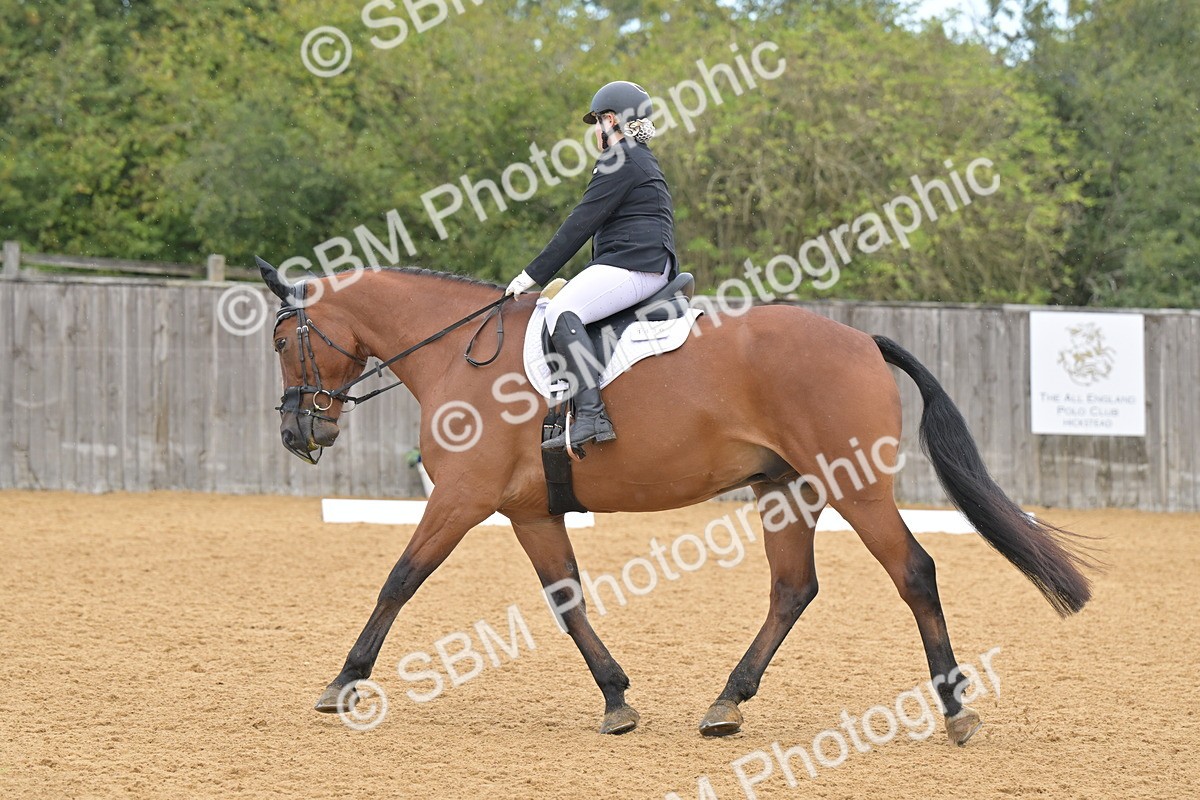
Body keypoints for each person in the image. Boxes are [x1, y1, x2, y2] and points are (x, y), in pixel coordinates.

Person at [505, 80, 678, 452]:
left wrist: (531, 274)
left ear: (611, 120)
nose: (595, 132)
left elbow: (579, 224)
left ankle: (591, 415)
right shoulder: (638, 157)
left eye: (597, 122)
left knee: (562, 310)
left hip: (635, 265)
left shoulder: (621, 158)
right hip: (642, 262)